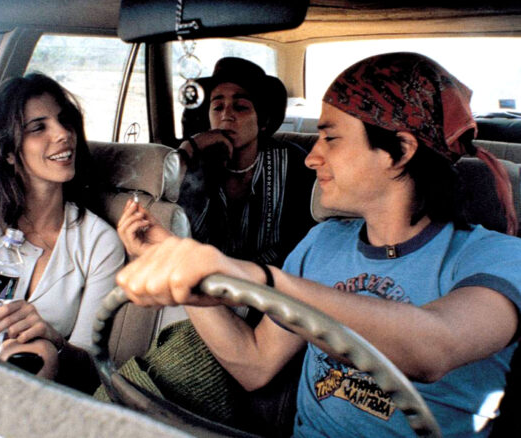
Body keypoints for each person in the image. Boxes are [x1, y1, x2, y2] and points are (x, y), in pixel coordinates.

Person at [115, 52, 521, 437]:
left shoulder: (496, 258)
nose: (312, 157)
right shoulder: (322, 244)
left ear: (399, 151)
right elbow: (254, 363)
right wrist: (178, 265)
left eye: (331, 139)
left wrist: (249, 275)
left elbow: (433, 347)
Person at [0, 73, 125, 392]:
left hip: (40, 396)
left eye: (63, 120)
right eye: (38, 127)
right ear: (8, 151)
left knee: (36, 351)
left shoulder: (99, 243)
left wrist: (53, 339)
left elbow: (91, 370)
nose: (62, 134)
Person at [175, 57, 315, 266]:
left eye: (240, 107)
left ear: (263, 121)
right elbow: (175, 230)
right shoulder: (194, 164)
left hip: (276, 284)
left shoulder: (293, 164)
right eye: (217, 107)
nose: (226, 115)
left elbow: (304, 242)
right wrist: (189, 148)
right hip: (204, 280)